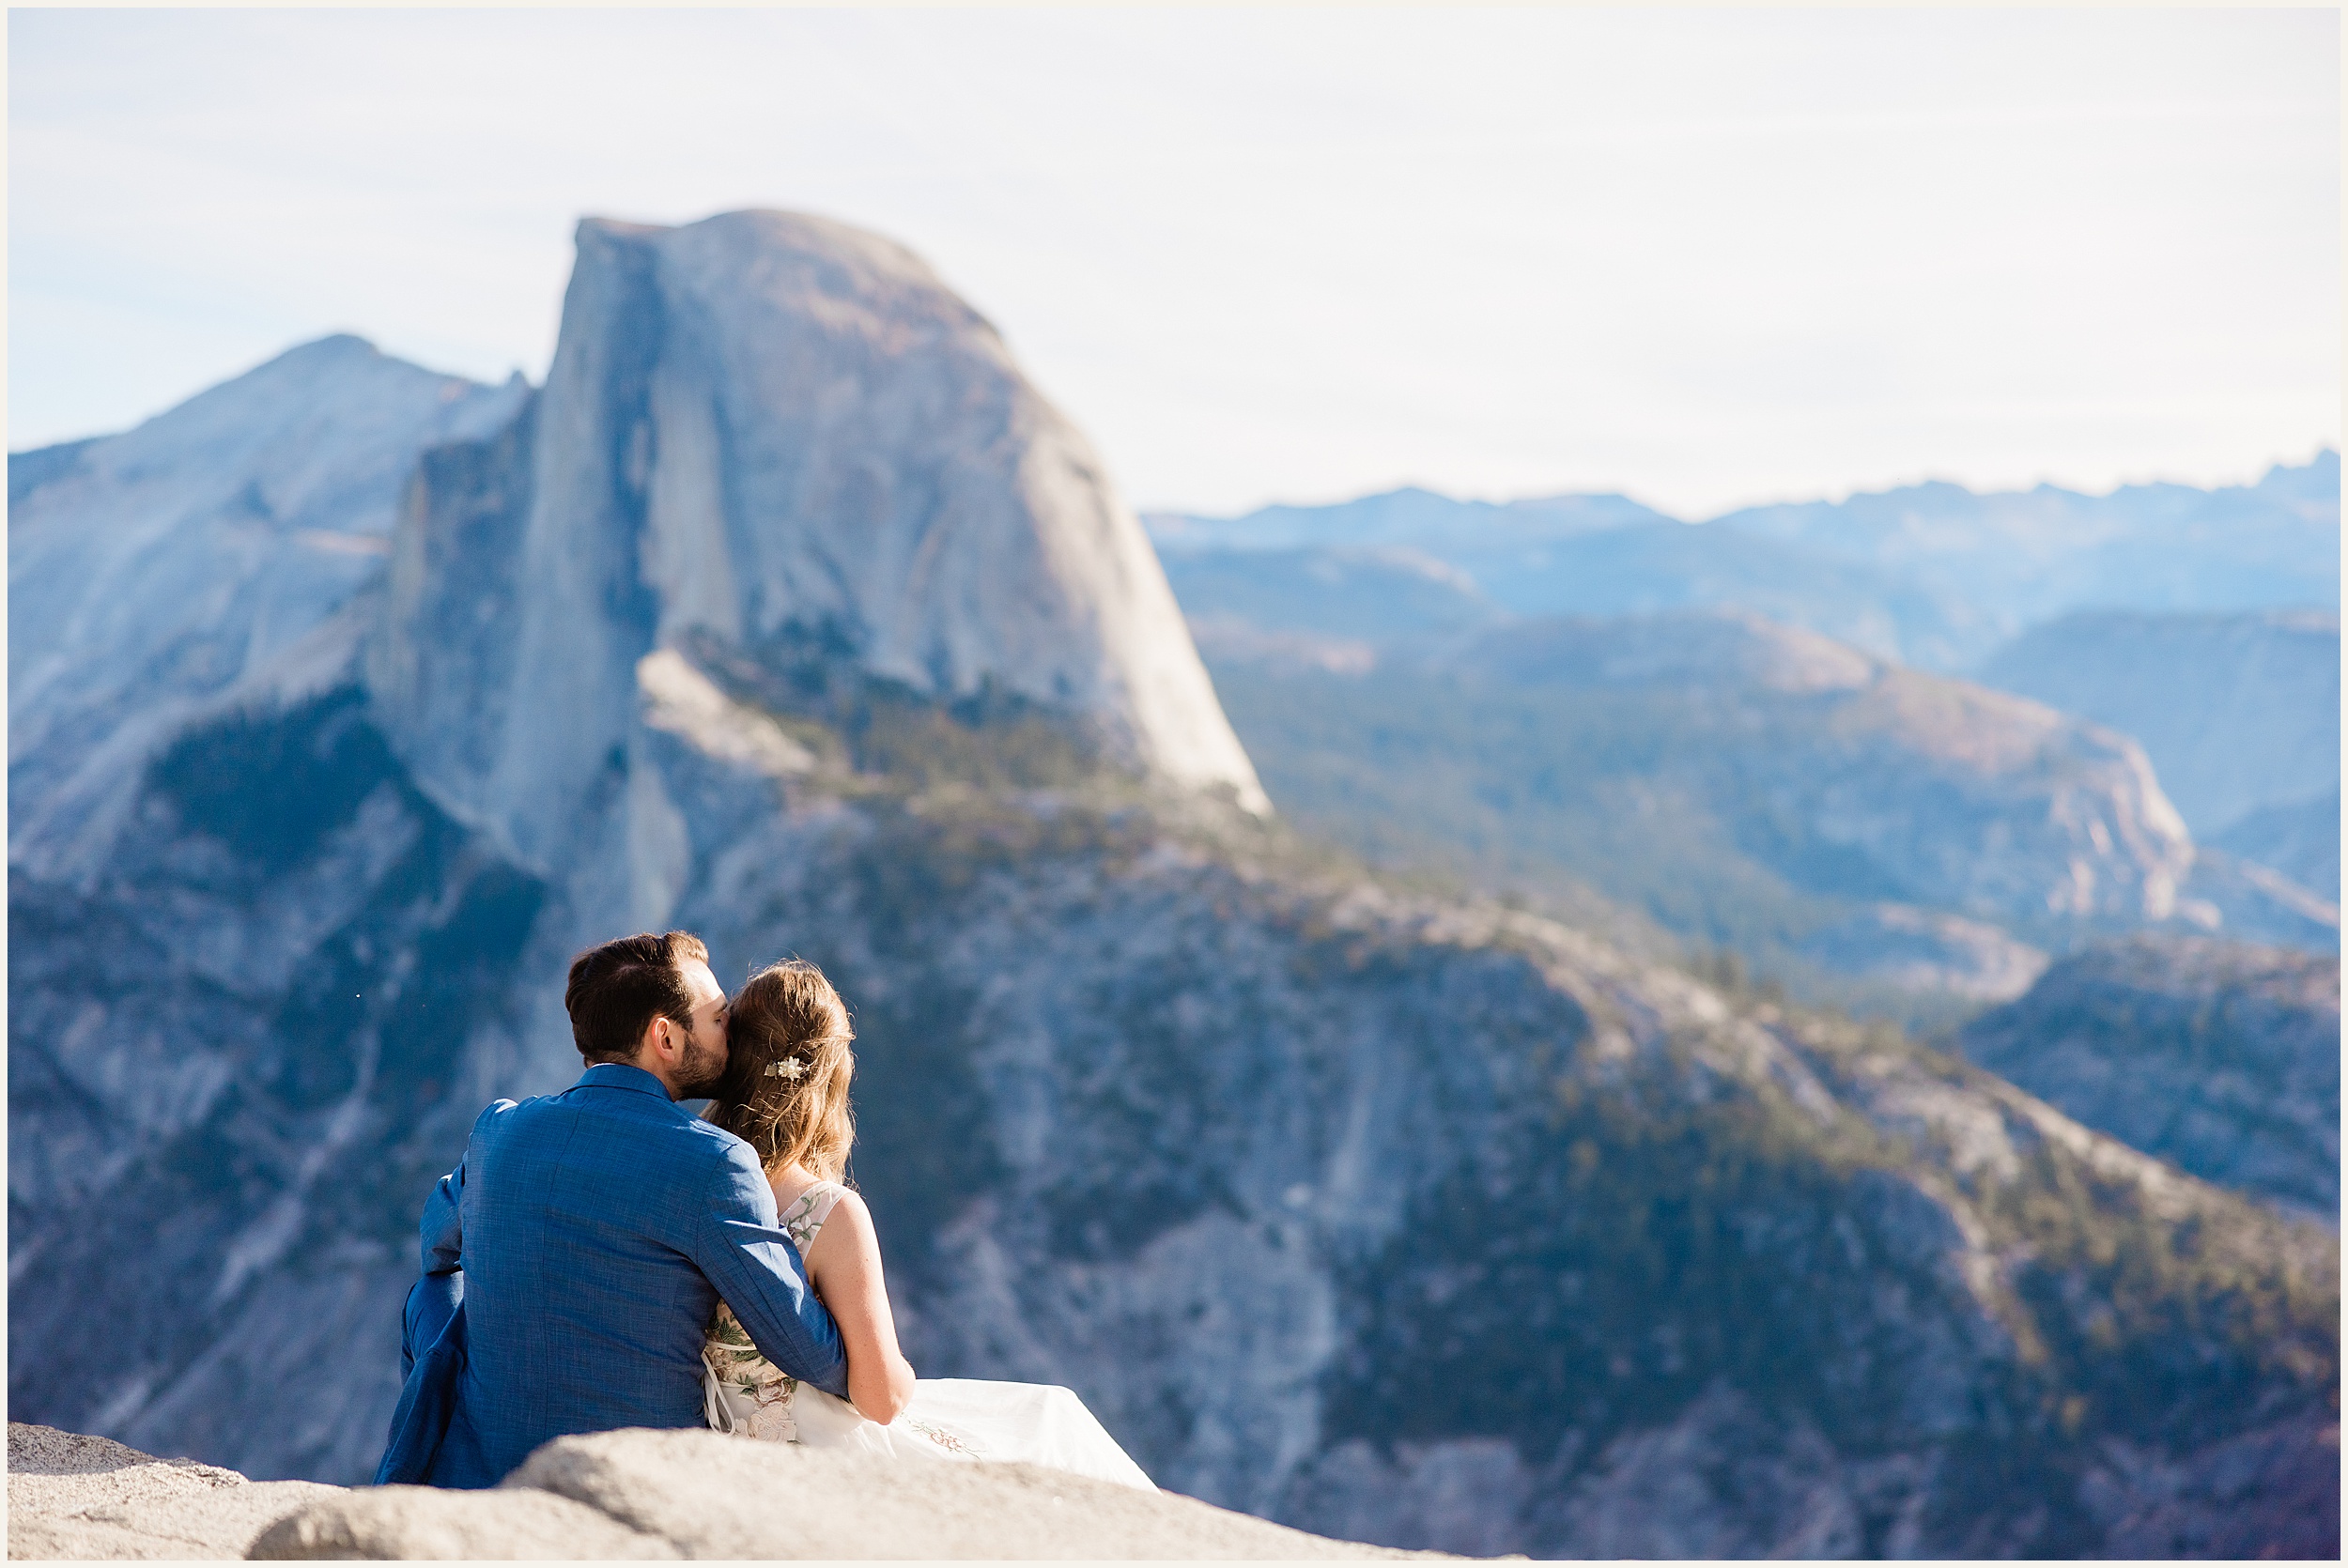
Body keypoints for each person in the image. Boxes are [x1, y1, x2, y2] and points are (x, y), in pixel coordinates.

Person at [377, 931, 848, 1488]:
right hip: (635, 1482)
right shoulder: (715, 1162)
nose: (734, 1033)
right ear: (665, 1038)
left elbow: (436, 1243)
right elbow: (815, 1357)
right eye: (719, 1018)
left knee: (434, 1294)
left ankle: (418, 1470)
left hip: (485, 1473)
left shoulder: (500, 1129)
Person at [699, 959, 1155, 1490]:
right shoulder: (825, 1211)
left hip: (710, 1436)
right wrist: (901, 1373)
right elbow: (882, 1399)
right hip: (814, 1453)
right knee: (1050, 1420)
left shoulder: (693, 1184)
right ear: (829, 1078)